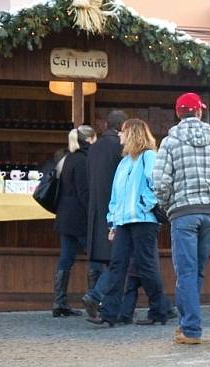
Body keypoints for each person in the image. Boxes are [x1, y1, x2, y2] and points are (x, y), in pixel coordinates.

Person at [153, 92, 210, 344]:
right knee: (198, 270)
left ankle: (190, 329)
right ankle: (188, 324)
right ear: (200, 112)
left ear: (178, 113)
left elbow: (159, 182)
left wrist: (170, 205)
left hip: (184, 214)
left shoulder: (170, 143)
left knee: (187, 272)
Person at [86, 119, 172, 327]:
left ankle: (159, 310)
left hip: (143, 220)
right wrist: (113, 222)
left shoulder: (149, 156)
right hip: (124, 221)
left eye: (123, 132)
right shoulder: (124, 162)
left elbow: (157, 185)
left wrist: (144, 204)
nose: (120, 136)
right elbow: (116, 194)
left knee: (146, 266)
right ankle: (109, 314)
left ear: (132, 134)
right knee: (117, 265)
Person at [82, 110, 127, 317]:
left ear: (106, 124)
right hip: (116, 209)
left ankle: (102, 302)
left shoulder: (94, 147)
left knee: (105, 259)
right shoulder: (121, 148)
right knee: (119, 259)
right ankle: (99, 297)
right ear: (122, 127)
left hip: (95, 209)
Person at [51, 125, 98, 317]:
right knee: (95, 257)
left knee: (66, 259)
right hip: (80, 218)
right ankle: (94, 300)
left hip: (65, 217)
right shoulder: (83, 160)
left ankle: (59, 302)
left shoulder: (68, 158)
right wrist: (94, 213)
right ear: (88, 140)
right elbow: (84, 192)